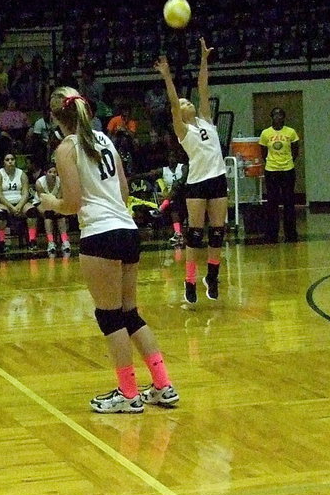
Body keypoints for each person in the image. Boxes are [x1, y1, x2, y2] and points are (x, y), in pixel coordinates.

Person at [40, 86, 179, 413]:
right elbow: (125, 190)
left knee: (110, 317)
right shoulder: (105, 139)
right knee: (130, 313)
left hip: (100, 234)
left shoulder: (66, 148)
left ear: (55, 117)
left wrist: (51, 202)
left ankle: (128, 393)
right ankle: (163, 384)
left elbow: (72, 203)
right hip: (127, 230)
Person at [155, 38, 228, 303]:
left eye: (188, 101)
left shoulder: (206, 119)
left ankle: (212, 276)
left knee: (218, 232)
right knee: (195, 235)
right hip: (197, 183)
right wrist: (166, 76)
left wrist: (204, 60)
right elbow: (174, 103)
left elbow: (203, 87)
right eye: (183, 103)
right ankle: (189, 280)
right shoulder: (183, 130)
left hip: (218, 179)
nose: (187, 102)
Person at [259, 106, 300, 243]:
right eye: (275, 115)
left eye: (280, 115)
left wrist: (287, 162)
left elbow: (295, 151)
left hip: (287, 170)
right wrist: (272, 162)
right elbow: (263, 152)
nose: (278, 117)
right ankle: (271, 233)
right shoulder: (266, 133)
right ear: (271, 117)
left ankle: (291, 234)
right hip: (271, 171)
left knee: (289, 202)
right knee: (272, 203)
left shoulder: (291, 132)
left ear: (284, 117)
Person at [0, 152, 39, 251]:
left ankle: (32, 240)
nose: (10, 162)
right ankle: (1, 241)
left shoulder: (22, 174)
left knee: (32, 211)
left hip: (20, 202)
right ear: (3, 162)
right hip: (3, 202)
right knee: (1, 213)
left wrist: (19, 206)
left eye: (12, 159)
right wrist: (11, 207)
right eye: (7, 160)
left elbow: (25, 193)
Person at [35, 162, 71, 257]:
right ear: (45, 173)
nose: (53, 174)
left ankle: (65, 241)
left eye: (55, 172)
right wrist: (53, 207)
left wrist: (57, 208)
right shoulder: (39, 183)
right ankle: (51, 242)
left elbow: (59, 197)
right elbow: (43, 199)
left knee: (60, 214)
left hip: (55, 202)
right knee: (48, 214)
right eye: (50, 172)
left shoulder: (60, 181)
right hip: (41, 203)